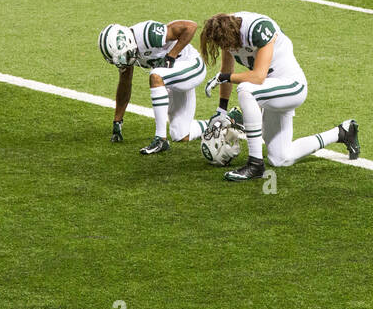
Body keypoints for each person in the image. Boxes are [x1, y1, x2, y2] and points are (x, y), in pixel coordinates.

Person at [199, 12, 359, 182]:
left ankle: (255, 164)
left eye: (224, 43)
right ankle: (343, 132)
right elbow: (227, 72)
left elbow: (258, 77)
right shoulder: (226, 32)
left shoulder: (258, 28)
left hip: (291, 86)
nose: (224, 47)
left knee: (246, 89)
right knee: (281, 158)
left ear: (232, 32)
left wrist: (225, 79)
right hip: (271, 91)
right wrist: (221, 110)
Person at [99, 20, 209, 154]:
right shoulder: (128, 51)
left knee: (156, 76)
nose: (125, 61)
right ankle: (217, 123)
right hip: (173, 77)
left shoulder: (147, 34)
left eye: (125, 56)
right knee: (180, 134)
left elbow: (191, 26)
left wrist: (171, 56)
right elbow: (125, 84)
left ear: (127, 41)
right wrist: (117, 120)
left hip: (192, 66)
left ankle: (160, 139)